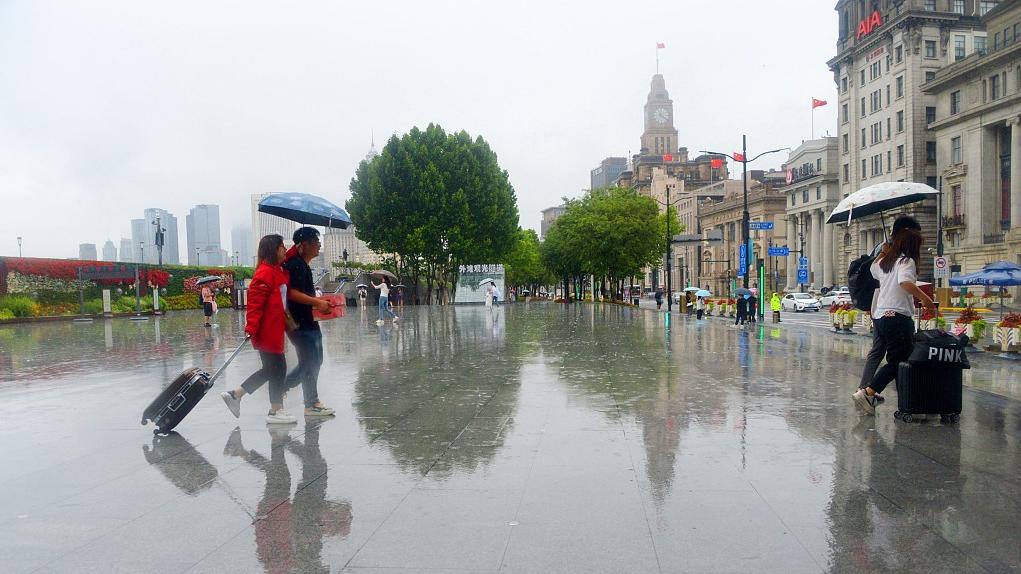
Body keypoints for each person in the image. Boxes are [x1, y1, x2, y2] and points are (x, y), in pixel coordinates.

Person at [852, 222, 934, 415]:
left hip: (881, 316)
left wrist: (883, 252)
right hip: (897, 316)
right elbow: (905, 283)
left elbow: (873, 269)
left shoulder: (886, 262)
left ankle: (904, 402)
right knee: (899, 360)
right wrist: (925, 298)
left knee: (895, 359)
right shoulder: (906, 261)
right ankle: (868, 393)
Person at [221, 234, 296, 424]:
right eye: (282, 247)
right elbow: (255, 304)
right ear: (273, 250)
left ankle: (236, 395)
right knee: (277, 369)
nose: (285, 250)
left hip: (275, 329)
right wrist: (251, 327)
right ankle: (275, 410)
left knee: (272, 369)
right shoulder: (264, 274)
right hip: (266, 330)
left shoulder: (276, 270)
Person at [282, 227, 335, 417]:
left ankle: (300, 396)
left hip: (307, 321)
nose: (319, 245)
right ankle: (309, 402)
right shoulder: (295, 264)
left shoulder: (303, 265)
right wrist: (317, 303)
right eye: (315, 242)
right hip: (299, 324)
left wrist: (319, 303)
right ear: (303, 245)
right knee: (310, 362)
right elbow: (292, 293)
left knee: (314, 361)